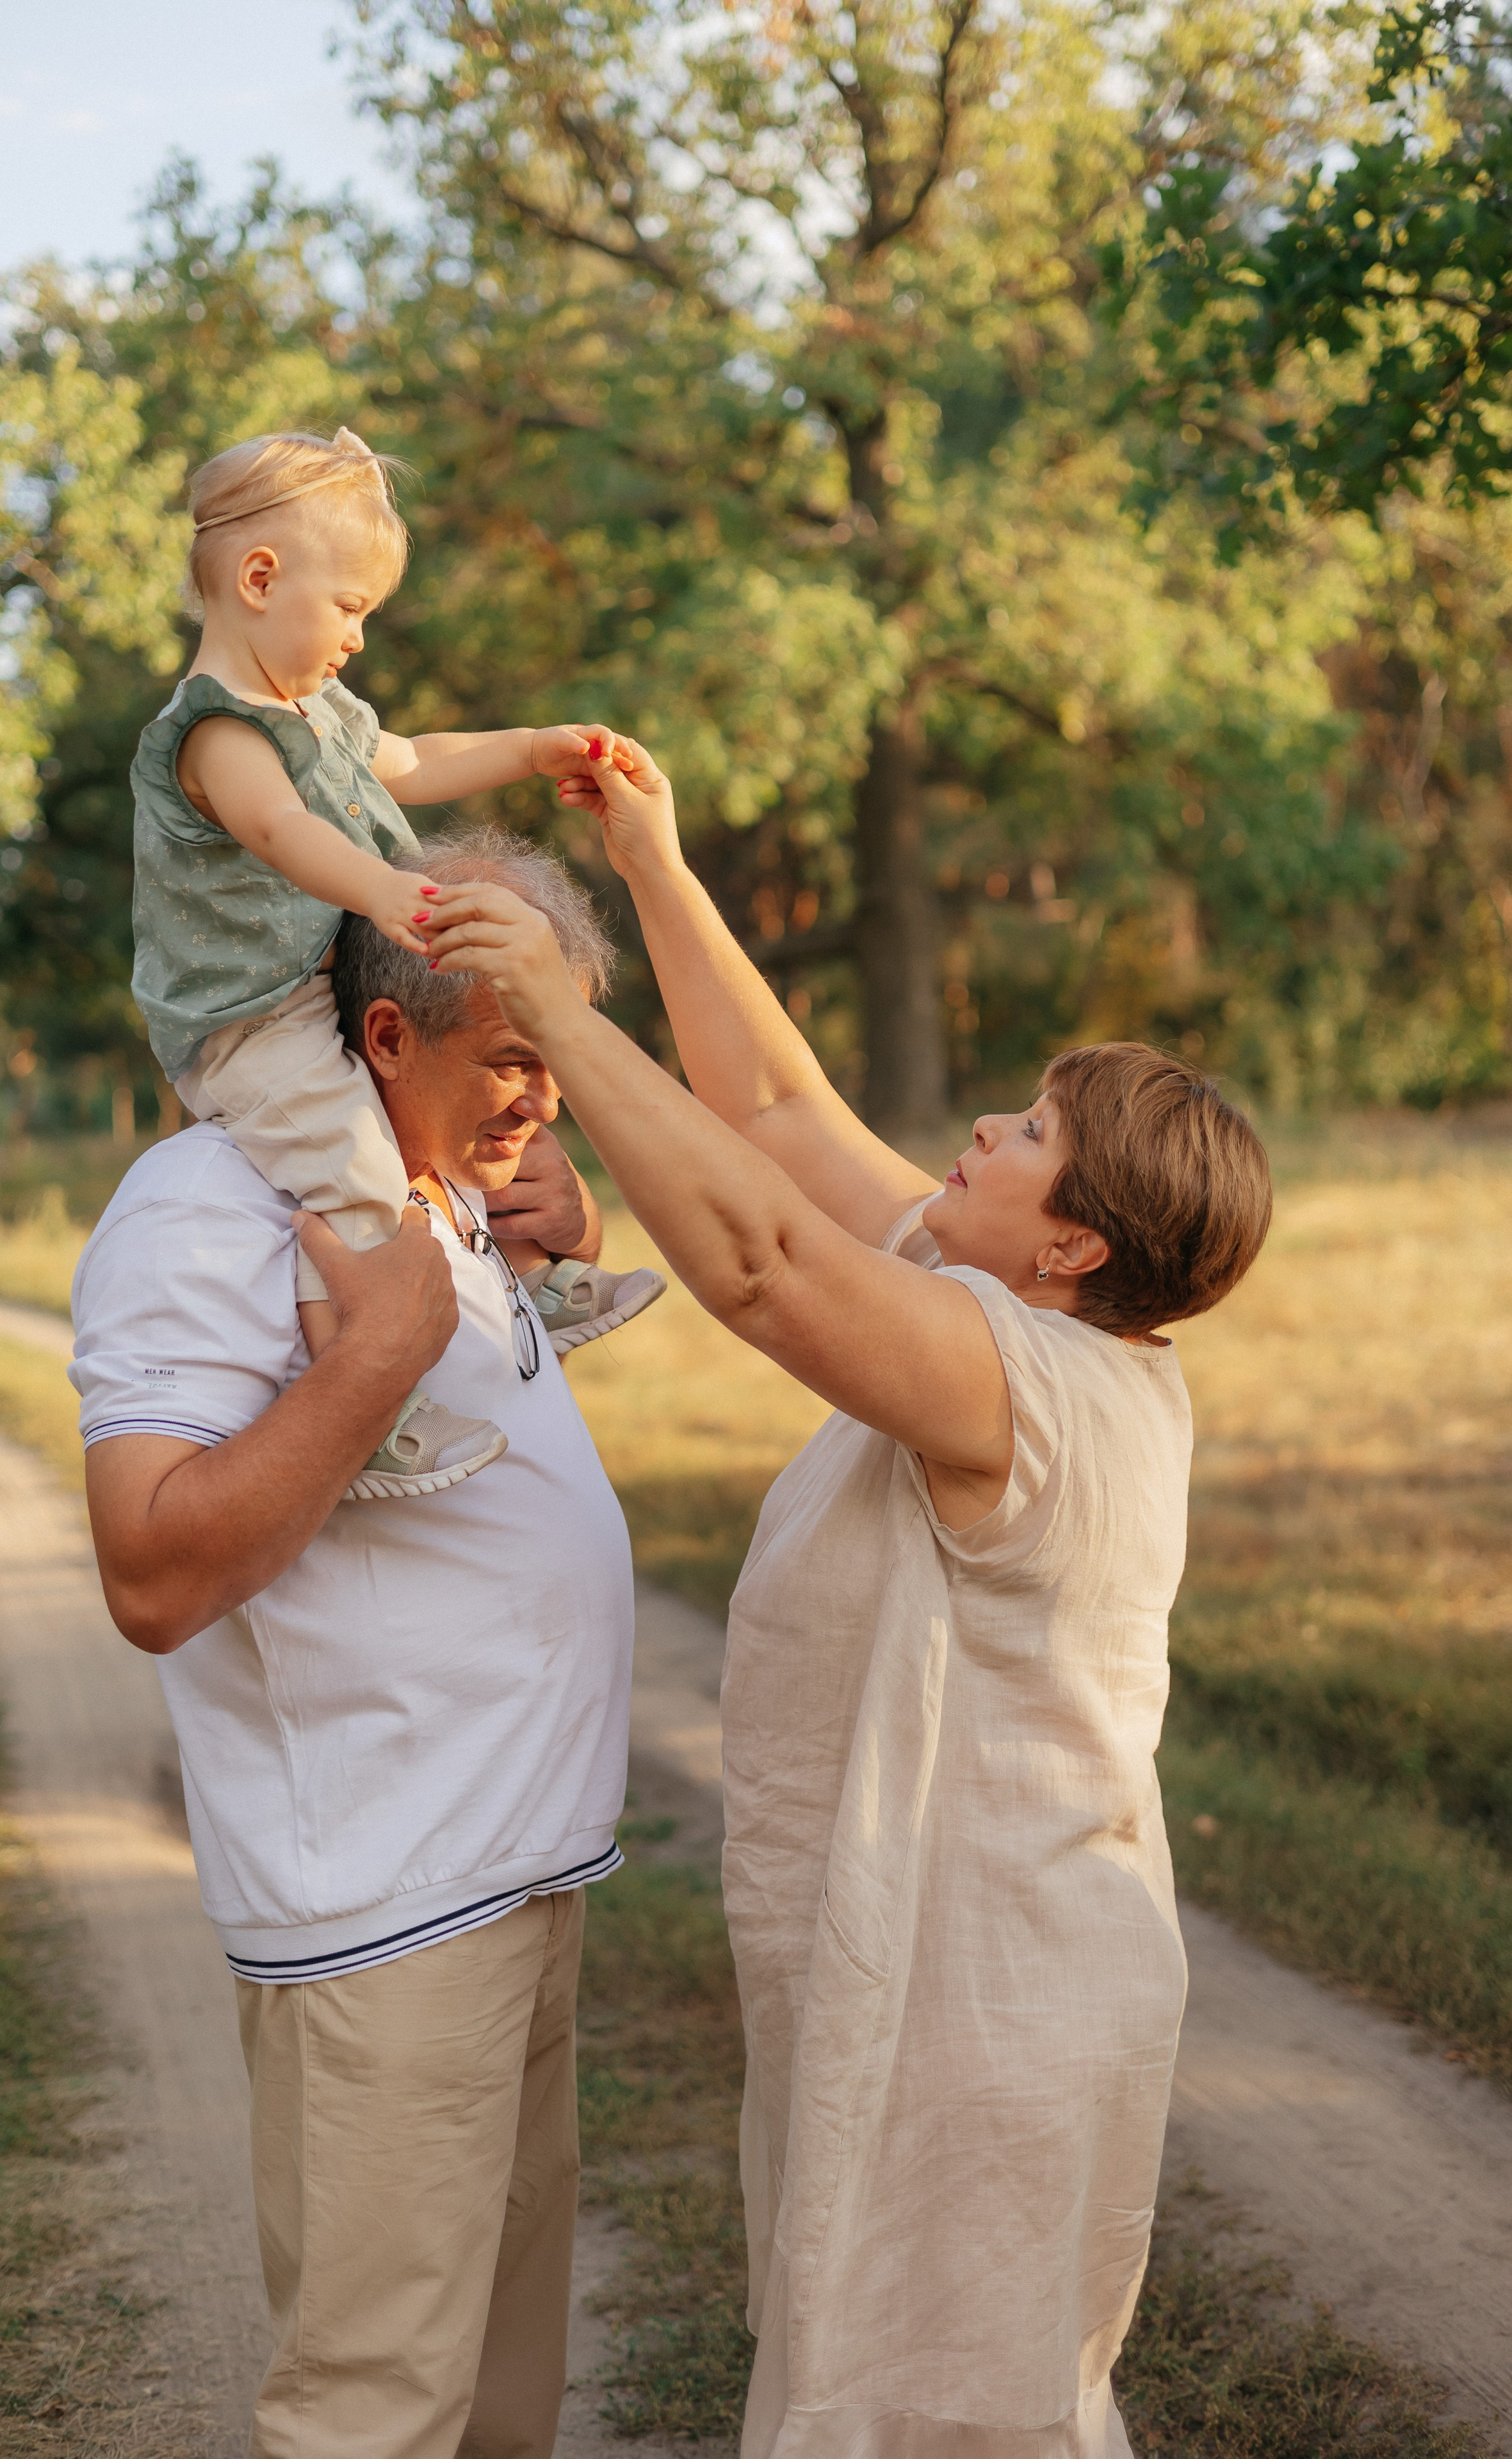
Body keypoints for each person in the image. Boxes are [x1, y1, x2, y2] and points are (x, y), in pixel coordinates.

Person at [421, 742, 1274, 2459]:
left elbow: (758, 1263)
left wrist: (561, 1020)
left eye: (1031, 1134)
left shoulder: (1025, 1381)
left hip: (992, 1999)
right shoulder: (997, 1302)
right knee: (887, 2365)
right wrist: (653, 864)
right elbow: (776, 1117)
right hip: (940, 1966)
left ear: (1075, 1245)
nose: (986, 1129)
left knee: (938, 2397)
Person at [74, 831, 637, 2459]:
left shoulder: (427, 1187)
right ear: (385, 1032)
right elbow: (151, 1571)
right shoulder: (209, 1204)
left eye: (562, 1050)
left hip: (519, 1877)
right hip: (385, 1915)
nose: (548, 1093)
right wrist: (375, 1360)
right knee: (375, 2413)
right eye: (514, 1054)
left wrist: (528, 1254)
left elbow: (433, 1467)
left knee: (498, 2402)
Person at [130, 423, 660, 1504]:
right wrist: (380, 889)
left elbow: (413, 760)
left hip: (316, 988)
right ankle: (368, 1400)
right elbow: (280, 830)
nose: (359, 638)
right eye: (350, 607)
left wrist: (533, 747)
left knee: (439, 1132)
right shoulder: (217, 734)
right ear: (260, 580)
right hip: (248, 1019)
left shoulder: (317, 713)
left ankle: (524, 1285)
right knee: (357, 1172)